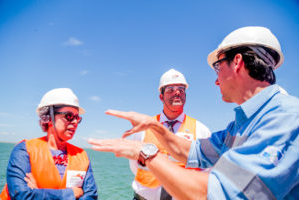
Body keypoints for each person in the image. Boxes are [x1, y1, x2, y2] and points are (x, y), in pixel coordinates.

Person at [88, 26, 299, 199]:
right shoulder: (241, 124)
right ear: (161, 95)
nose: (216, 80)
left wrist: (145, 153)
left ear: (237, 62)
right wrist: (153, 126)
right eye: (171, 90)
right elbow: (194, 152)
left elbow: (222, 193)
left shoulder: (287, 118)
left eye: (218, 67)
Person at [0, 88, 98, 200]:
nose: (75, 122)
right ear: (48, 117)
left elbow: (91, 197)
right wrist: (70, 194)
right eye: (69, 116)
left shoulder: (82, 156)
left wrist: (37, 193)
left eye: (77, 118)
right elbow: (22, 195)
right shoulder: (24, 150)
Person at [129, 69, 211, 200]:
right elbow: (135, 166)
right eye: (170, 89)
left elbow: (207, 173)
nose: (177, 92)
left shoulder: (201, 130)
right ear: (161, 96)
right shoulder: (144, 127)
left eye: (181, 89)